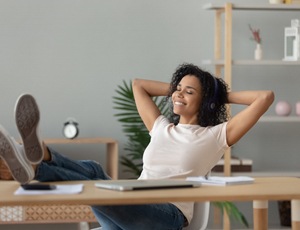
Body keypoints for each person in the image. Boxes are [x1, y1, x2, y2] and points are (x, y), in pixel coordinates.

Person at [0, 63, 274, 230]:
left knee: (96, 179)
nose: (179, 93)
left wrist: (216, 93)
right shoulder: (161, 127)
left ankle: (36, 164)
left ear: (206, 102)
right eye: (178, 88)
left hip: (166, 217)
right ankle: (39, 159)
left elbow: (264, 97)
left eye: (189, 92)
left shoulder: (215, 135)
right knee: (94, 169)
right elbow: (138, 85)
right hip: (131, 206)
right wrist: (182, 89)